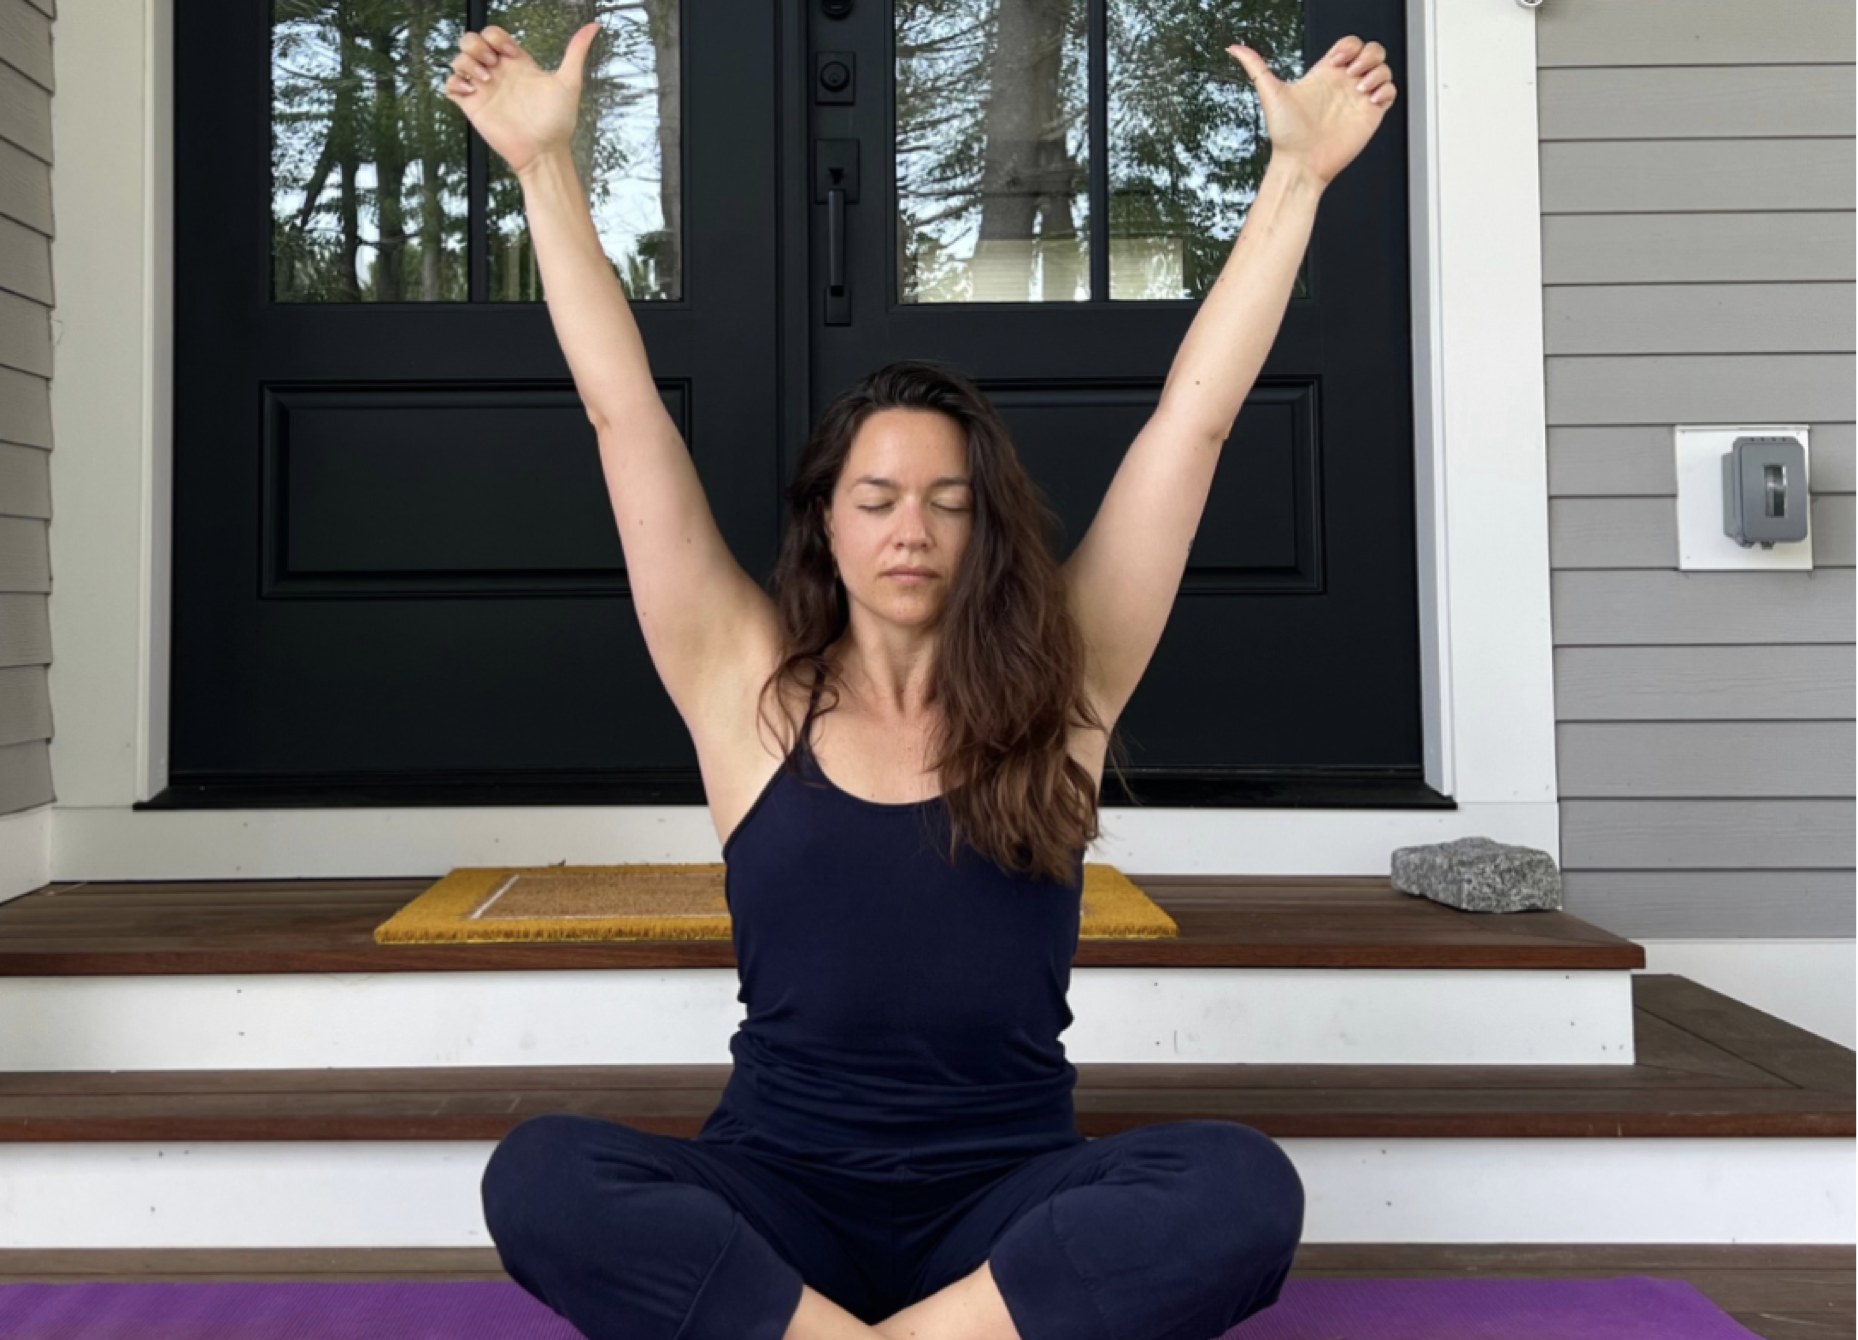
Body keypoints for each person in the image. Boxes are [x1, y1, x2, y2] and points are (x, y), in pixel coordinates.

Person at [448, 22, 1395, 1340]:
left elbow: (1195, 423)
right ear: (825, 524)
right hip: (776, 1191)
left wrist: (1295, 178)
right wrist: (545, 167)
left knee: (1241, 1189)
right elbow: (625, 417)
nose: (912, 530)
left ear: (985, 529)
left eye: (949, 502)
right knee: (540, 1174)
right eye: (878, 498)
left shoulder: (1062, 687)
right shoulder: (743, 686)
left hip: (1000, 1207)